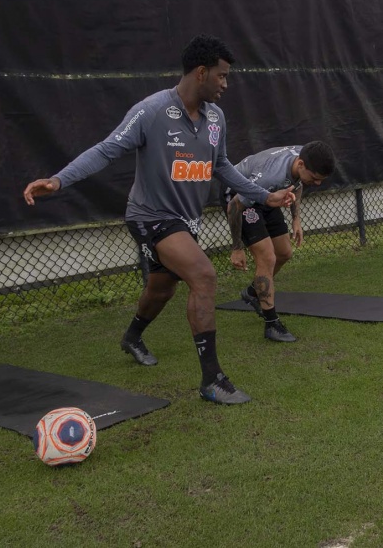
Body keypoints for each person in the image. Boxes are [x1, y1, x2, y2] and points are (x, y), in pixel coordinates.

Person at [23, 34, 295, 405]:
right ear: (201, 72)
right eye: (222, 76)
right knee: (203, 275)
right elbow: (106, 149)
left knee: (162, 288)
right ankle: (212, 380)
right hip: (149, 215)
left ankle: (132, 336)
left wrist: (265, 196)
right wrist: (58, 180)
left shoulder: (216, 118)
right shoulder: (150, 111)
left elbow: (223, 167)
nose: (226, 84)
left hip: (185, 222)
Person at [225, 142, 335, 343]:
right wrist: (237, 247)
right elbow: (234, 206)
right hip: (241, 197)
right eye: (315, 178)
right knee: (267, 257)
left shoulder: (304, 158)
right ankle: (272, 324)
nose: (317, 183)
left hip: (269, 196)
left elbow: (297, 185)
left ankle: (252, 292)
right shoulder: (270, 176)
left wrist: (296, 218)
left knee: (284, 253)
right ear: (301, 164)